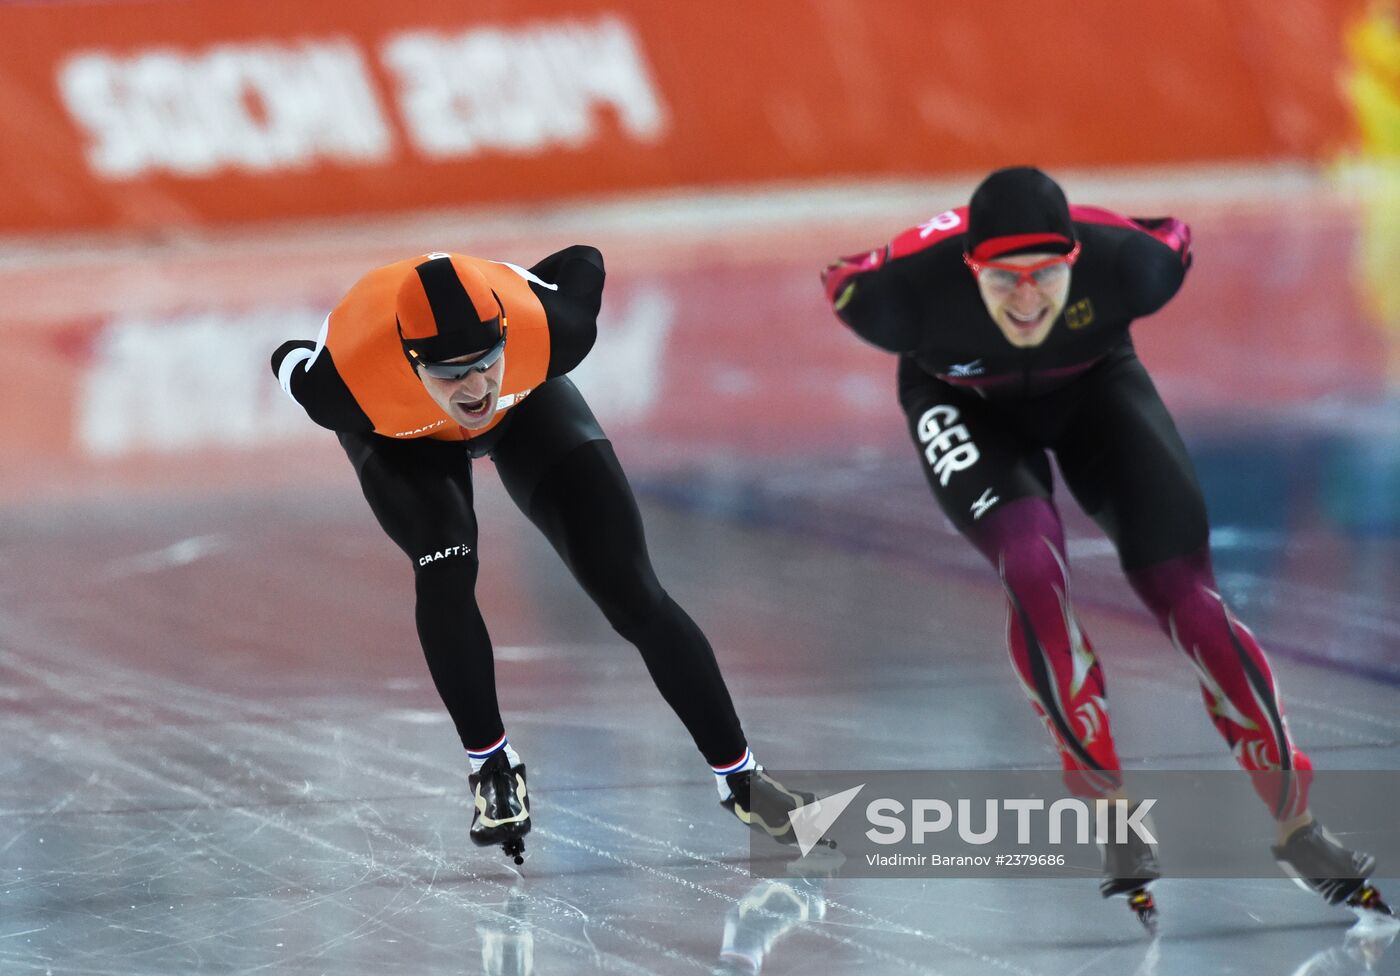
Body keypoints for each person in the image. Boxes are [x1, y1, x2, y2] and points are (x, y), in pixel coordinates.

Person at [821, 167, 1390, 925]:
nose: (1027, 300)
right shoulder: (896, 297)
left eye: (1047, 276)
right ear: (968, 268)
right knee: (1029, 563)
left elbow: (1170, 230)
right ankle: (1109, 810)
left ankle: (1297, 826)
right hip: (960, 403)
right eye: (1003, 280)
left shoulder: (1133, 264)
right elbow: (842, 274)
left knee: (1196, 608)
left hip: (1096, 391)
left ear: (1076, 260)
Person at [271, 245, 807, 861]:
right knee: (445, 570)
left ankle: (741, 778)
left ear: (504, 333)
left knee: (632, 591)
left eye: (484, 363)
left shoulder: (553, 328)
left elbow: (583, 258)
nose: (473, 390)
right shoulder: (344, 385)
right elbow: (289, 358)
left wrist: (516, 283)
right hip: (399, 434)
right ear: (413, 360)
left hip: (525, 405)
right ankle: (492, 769)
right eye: (451, 373)